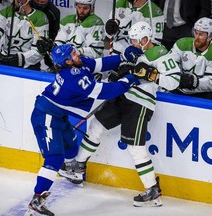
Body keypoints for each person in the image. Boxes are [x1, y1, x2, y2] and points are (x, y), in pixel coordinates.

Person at [59, 21, 181, 207]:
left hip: (140, 104)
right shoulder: (132, 50)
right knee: (96, 127)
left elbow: (174, 81)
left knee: (135, 147)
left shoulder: (161, 53)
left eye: (136, 40)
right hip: (122, 96)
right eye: (131, 39)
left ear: (146, 38)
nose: (132, 42)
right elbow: (115, 67)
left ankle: (152, 190)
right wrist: (118, 73)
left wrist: (153, 76)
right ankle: (78, 168)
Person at [25, 44, 141, 216]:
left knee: (71, 147)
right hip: (46, 116)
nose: (77, 54)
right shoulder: (73, 77)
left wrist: (123, 57)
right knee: (54, 157)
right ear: (67, 61)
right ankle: (37, 199)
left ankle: (66, 170)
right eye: (73, 53)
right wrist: (127, 81)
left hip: (59, 115)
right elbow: (104, 92)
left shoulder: (76, 63)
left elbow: (98, 64)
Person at [0, 0, 49, 70]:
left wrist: (20, 59)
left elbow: (39, 50)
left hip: (27, 62)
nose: (12, 2)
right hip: (5, 56)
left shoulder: (40, 18)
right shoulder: (5, 12)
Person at [168, 17, 212, 100]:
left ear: (210, 35)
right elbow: (170, 66)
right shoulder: (181, 44)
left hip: (205, 92)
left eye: (201, 34)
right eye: (196, 33)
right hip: (181, 88)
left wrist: (194, 82)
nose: (196, 38)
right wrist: (178, 78)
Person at [37, 0, 105, 60]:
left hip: (88, 64)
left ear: (91, 8)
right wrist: (52, 46)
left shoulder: (96, 23)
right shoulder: (66, 21)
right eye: (79, 7)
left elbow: (96, 51)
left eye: (85, 8)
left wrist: (72, 51)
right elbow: (60, 42)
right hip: (69, 63)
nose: (81, 11)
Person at [30, 0, 60, 71]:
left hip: (45, 39)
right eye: (38, 1)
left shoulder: (54, 11)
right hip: (28, 37)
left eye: (43, 2)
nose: (40, 4)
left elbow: (54, 32)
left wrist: (49, 43)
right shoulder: (27, 6)